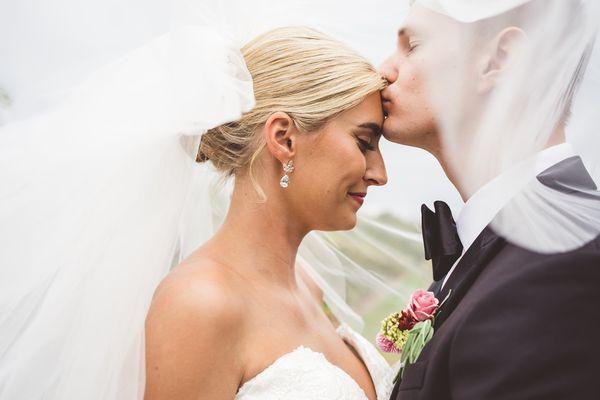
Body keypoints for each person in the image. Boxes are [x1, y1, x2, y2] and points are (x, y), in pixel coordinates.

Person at [144, 26, 395, 400]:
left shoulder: (308, 285)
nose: (380, 174)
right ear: (283, 138)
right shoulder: (198, 304)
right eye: (363, 143)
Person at [381, 0, 600, 398]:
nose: (384, 71)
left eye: (412, 45)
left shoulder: (561, 264)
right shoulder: (521, 251)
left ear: (500, 60)